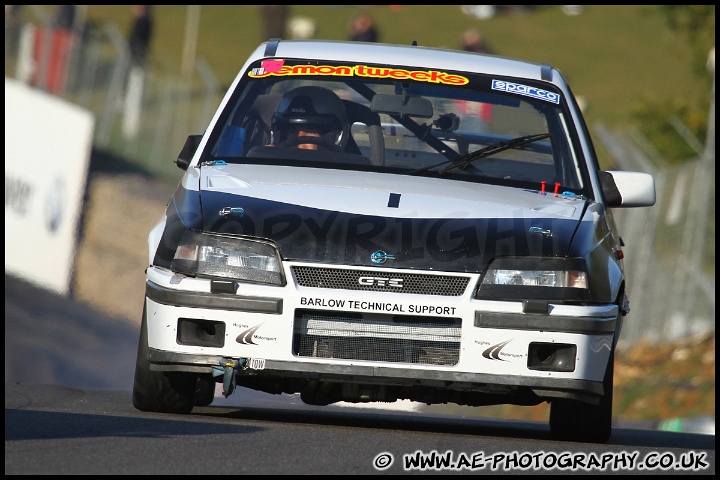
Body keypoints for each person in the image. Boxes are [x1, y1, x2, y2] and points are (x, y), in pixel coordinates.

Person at [269, 86, 349, 151]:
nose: (300, 145)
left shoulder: (348, 170)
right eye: (293, 131)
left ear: (336, 138)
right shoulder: (265, 167)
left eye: (310, 131)